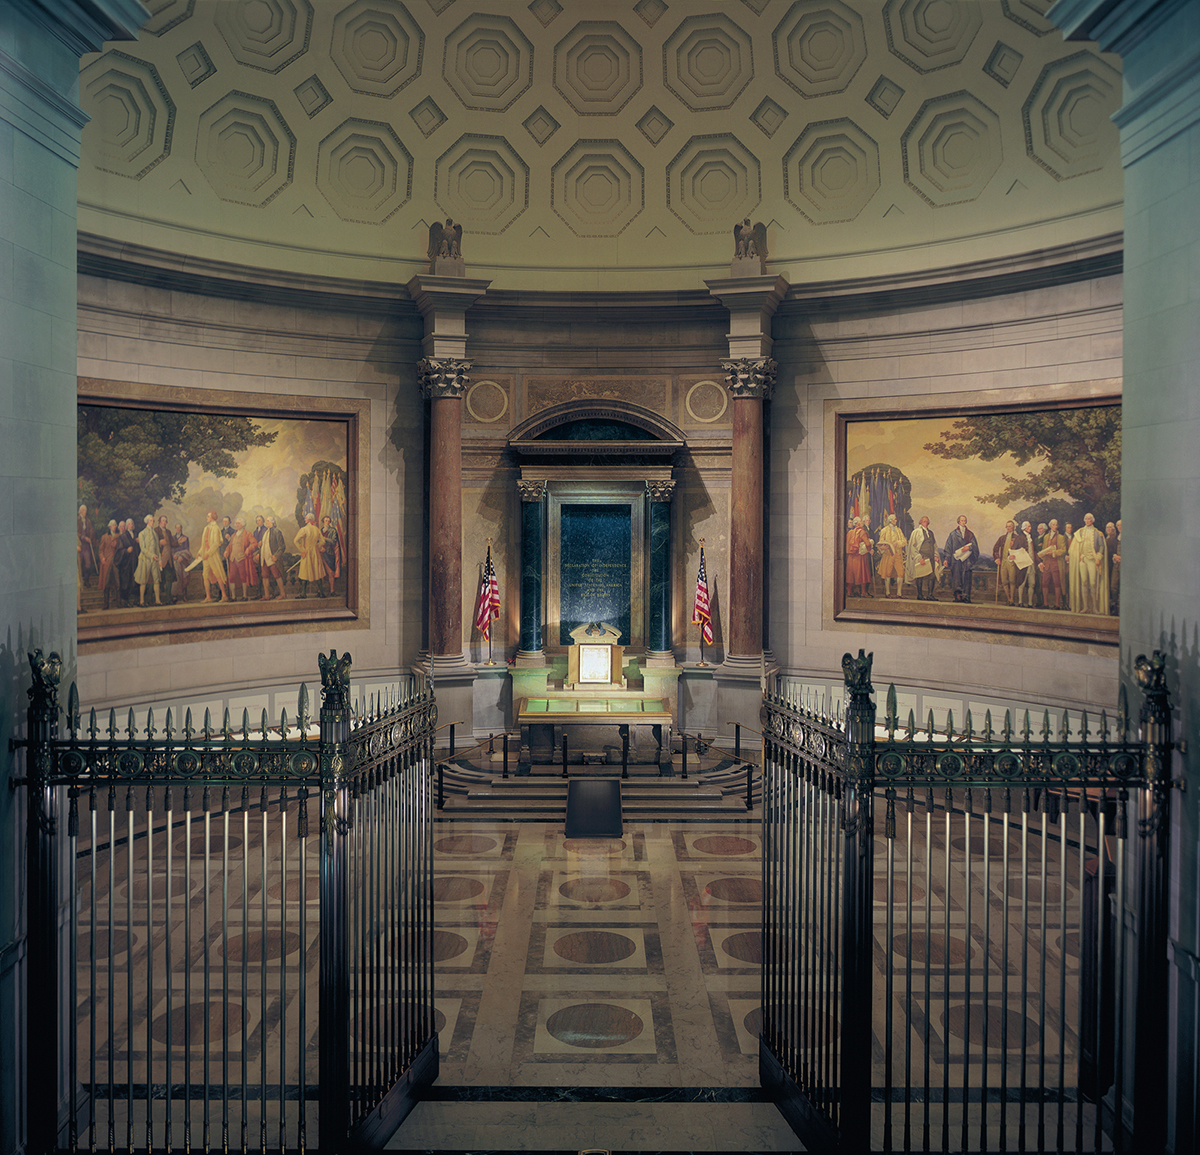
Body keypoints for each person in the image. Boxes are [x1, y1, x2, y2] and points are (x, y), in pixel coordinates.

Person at [1068, 512, 1108, 615]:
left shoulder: (1097, 533)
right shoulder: (1080, 532)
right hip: (1083, 560)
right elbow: (1074, 547)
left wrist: (1099, 557)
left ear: (1092, 520)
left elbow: (1101, 546)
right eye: (1086, 519)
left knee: (1093, 583)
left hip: (1093, 560)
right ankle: (1085, 607)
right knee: (1084, 582)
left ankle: (1094, 607)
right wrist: (1079, 556)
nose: (1087, 521)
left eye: (1089, 519)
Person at [991, 519, 1030, 606]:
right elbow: (995, 549)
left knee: (1012, 581)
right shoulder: (1002, 538)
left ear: (1013, 527)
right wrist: (997, 558)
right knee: (1004, 581)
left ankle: (1012, 599)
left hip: (1012, 562)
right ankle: (1009, 598)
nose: (1008, 528)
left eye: (1010, 526)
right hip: (1004, 562)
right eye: (1007, 526)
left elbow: (1022, 550)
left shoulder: (1017, 538)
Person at [224, 516, 260, 601]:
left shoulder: (247, 534)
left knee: (243, 577)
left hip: (242, 559)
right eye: (236, 523)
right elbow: (230, 546)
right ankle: (233, 597)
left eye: (239, 523)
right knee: (231, 577)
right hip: (233, 559)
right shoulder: (233, 535)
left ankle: (245, 596)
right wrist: (226, 551)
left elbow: (254, 543)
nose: (237, 525)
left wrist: (248, 549)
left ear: (243, 524)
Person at [945, 515, 979, 603]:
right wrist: (946, 559)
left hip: (967, 560)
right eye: (962, 520)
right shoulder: (953, 534)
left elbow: (975, 547)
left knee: (966, 578)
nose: (963, 522)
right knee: (956, 578)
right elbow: (948, 547)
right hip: (956, 561)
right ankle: (958, 597)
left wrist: (969, 548)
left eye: (965, 520)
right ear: (959, 522)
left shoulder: (970, 534)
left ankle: (966, 597)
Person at [197, 510, 229, 603]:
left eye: (208, 516)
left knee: (217, 573)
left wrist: (208, 554)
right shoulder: (206, 528)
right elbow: (204, 543)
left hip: (212, 555)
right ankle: (208, 597)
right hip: (205, 555)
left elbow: (215, 544)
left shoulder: (215, 528)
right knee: (205, 575)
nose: (206, 518)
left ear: (212, 517)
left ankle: (224, 596)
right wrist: (200, 552)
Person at [906, 516, 938, 601]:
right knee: (920, 576)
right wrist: (919, 558)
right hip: (922, 557)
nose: (926, 523)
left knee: (932, 576)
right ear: (920, 522)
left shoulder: (931, 533)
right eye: (924, 521)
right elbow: (912, 546)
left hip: (930, 558)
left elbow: (934, 546)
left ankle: (930, 595)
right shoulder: (916, 532)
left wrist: (936, 555)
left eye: (927, 521)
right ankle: (920, 595)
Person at [876, 514, 906, 598]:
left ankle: (899, 593)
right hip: (888, 554)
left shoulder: (899, 530)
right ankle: (887, 593)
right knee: (887, 573)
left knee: (900, 573)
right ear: (890, 520)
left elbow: (904, 541)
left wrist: (897, 543)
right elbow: (880, 542)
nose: (896, 521)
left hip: (898, 555)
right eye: (895, 519)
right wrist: (884, 546)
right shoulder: (884, 530)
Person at [134, 514, 161, 606]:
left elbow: (157, 548)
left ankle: (157, 600)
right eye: (151, 520)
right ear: (147, 522)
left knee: (156, 579)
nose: (152, 522)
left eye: (153, 520)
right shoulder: (142, 533)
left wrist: (159, 559)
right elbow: (143, 548)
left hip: (155, 560)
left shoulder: (155, 534)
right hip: (145, 559)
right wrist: (151, 555)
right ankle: (142, 601)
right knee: (143, 580)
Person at [294, 514, 324, 598]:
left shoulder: (304, 529)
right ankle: (321, 593)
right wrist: (316, 548)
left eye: (306, 518)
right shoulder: (316, 529)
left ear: (309, 519)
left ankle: (303, 594)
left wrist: (302, 550)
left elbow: (295, 541)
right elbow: (322, 541)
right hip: (315, 553)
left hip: (306, 553)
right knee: (317, 572)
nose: (305, 519)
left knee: (304, 573)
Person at [259, 516, 287, 600]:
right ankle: (267, 595)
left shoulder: (277, 532)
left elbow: (282, 547)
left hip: (272, 558)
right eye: (266, 521)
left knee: (277, 576)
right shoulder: (265, 532)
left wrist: (276, 556)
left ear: (272, 522)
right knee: (265, 576)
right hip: (264, 558)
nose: (266, 523)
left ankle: (283, 594)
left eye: (268, 521)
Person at [844, 516, 871, 598]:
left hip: (851, 557)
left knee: (850, 574)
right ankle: (863, 592)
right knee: (863, 573)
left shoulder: (849, 533)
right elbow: (867, 543)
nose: (862, 522)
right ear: (857, 523)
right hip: (860, 556)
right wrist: (870, 549)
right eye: (861, 521)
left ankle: (849, 592)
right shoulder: (862, 532)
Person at [97, 519, 121, 610]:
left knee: (117, 582)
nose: (114, 526)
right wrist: (102, 558)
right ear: (110, 526)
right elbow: (100, 550)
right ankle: (106, 604)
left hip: (115, 562)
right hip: (107, 562)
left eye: (115, 525)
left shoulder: (119, 536)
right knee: (106, 583)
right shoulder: (104, 537)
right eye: (113, 525)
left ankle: (119, 603)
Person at [116, 518, 137, 607]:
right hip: (126, 563)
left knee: (135, 581)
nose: (131, 525)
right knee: (125, 582)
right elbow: (119, 550)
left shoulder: (136, 535)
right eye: (129, 524)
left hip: (135, 561)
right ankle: (125, 601)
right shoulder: (123, 536)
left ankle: (135, 600)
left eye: (132, 524)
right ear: (127, 526)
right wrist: (126, 551)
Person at [155, 515, 175, 604]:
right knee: (157, 579)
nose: (165, 522)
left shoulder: (168, 532)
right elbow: (152, 543)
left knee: (169, 578)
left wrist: (179, 542)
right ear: (159, 521)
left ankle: (168, 598)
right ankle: (156, 600)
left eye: (166, 521)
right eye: (163, 520)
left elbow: (172, 543)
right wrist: (159, 542)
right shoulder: (155, 530)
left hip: (168, 559)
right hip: (159, 559)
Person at [172, 523, 194, 600]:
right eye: (176, 528)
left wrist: (181, 556)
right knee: (176, 576)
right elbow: (172, 549)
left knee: (185, 577)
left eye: (179, 528)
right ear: (175, 529)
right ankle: (175, 595)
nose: (178, 529)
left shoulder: (185, 538)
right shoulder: (172, 538)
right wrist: (174, 555)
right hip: (175, 560)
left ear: (181, 528)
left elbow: (186, 549)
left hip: (183, 560)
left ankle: (184, 595)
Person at [77, 504, 97, 588]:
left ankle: (86, 581)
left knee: (88, 563)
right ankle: (79, 582)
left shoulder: (88, 521)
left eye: (86, 510)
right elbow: (76, 532)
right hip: (79, 545)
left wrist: (90, 537)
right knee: (79, 563)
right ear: (81, 511)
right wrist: (84, 537)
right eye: (84, 510)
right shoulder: (77, 520)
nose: (86, 512)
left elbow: (92, 530)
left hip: (87, 546)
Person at [1110, 519, 1121, 614]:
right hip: (1116, 565)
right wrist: (1115, 556)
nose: (1120, 527)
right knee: (1113, 586)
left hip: (1126, 566)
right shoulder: (1115, 539)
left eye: (1122, 525)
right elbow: (1112, 551)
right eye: (1118, 526)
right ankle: (1114, 607)